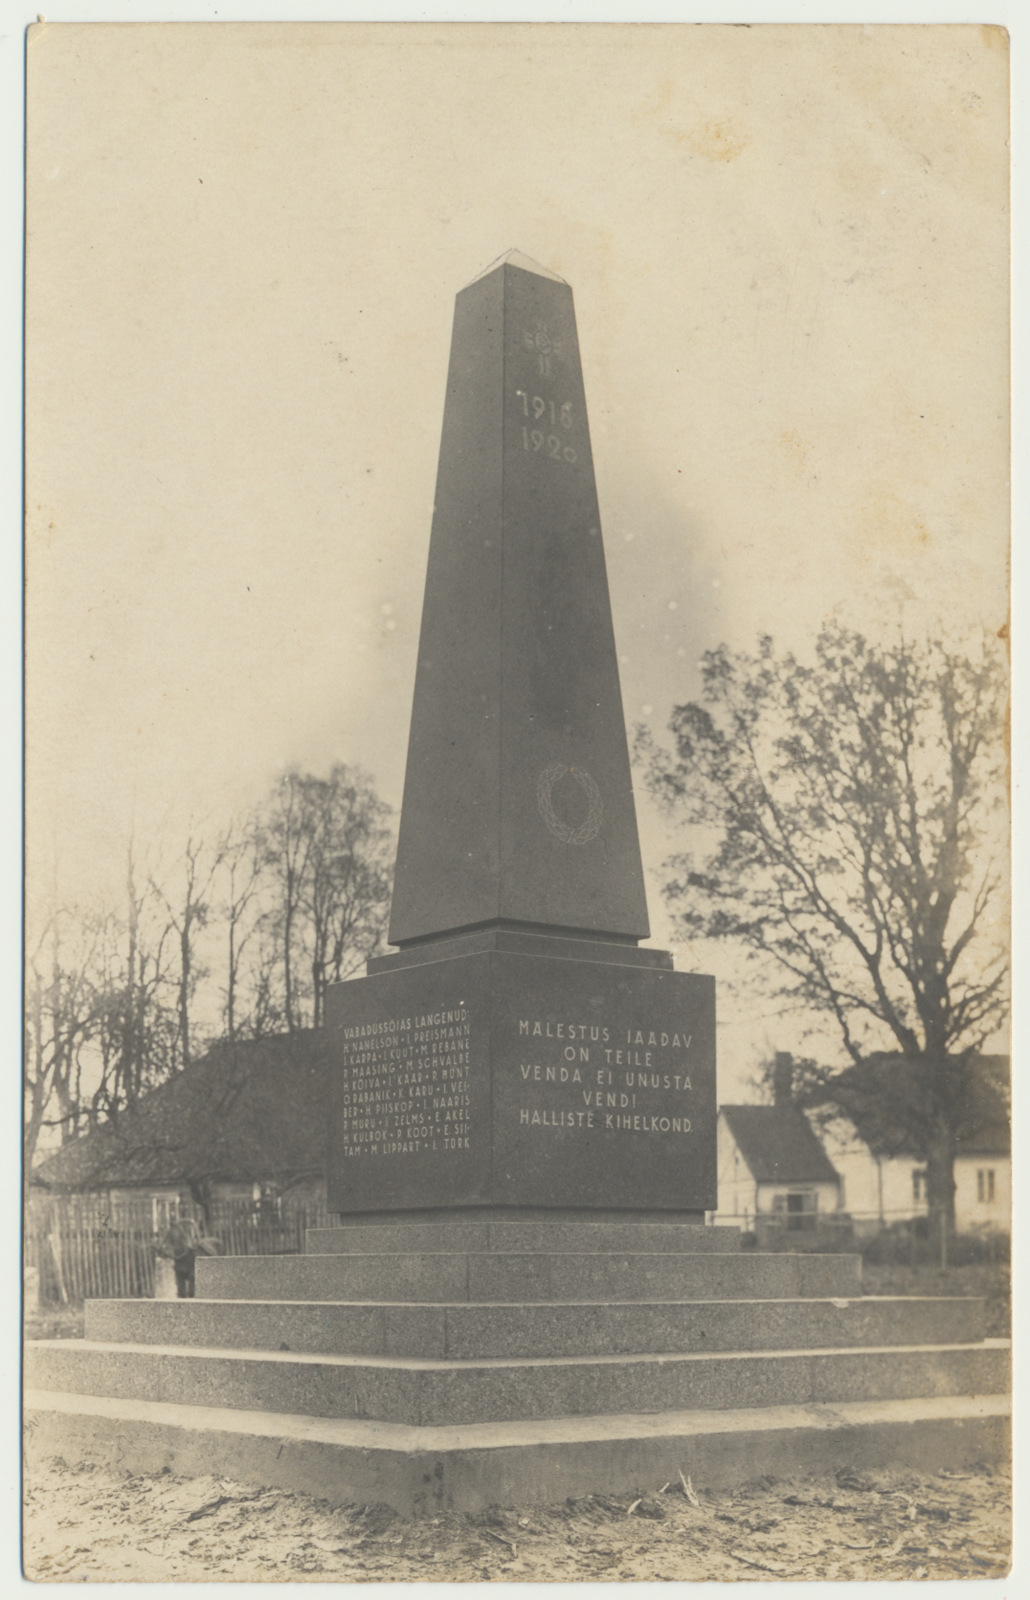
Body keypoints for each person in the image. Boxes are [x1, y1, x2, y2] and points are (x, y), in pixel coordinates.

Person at [157, 1214, 202, 1298]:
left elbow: (191, 1240)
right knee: (180, 1286)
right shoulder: (170, 1232)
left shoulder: (183, 1228)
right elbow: (165, 1245)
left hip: (188, 1253)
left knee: (192, 1279)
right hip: (179, 1257)